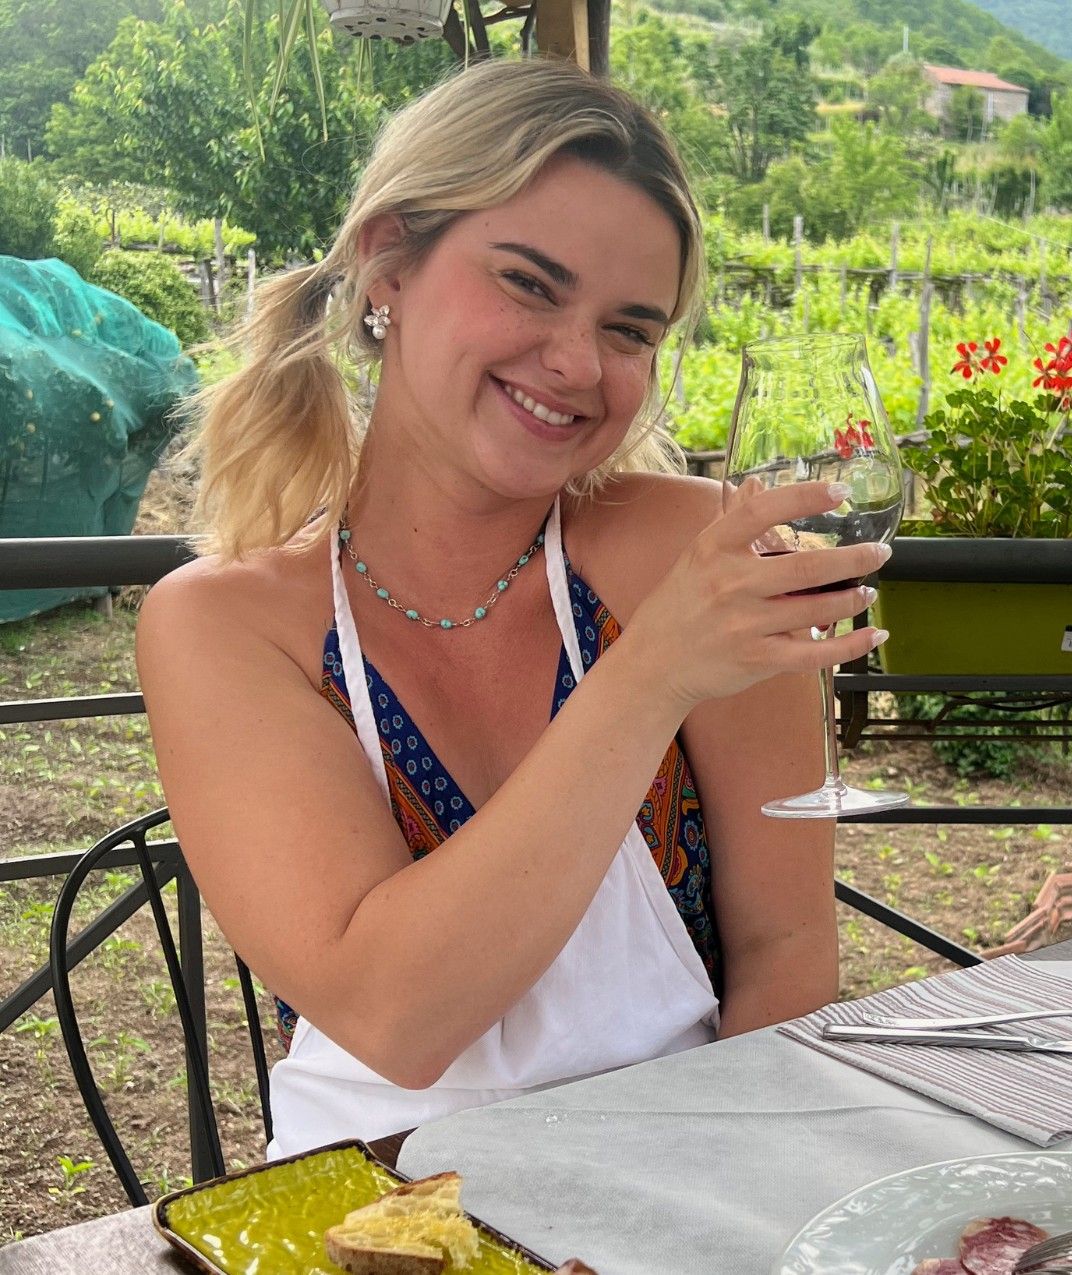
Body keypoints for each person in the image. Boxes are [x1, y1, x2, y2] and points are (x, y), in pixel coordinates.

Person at [136, 58, 889, 1158]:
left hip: (694, 1167)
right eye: (530, 285)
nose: (579, 363)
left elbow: (786, 955)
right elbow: (400, 1019)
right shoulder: (224, 626)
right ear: (388, 263)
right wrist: (653, 672)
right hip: (372, 1209)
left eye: (631, 329)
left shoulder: (694, 552)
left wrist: (728, 1202)